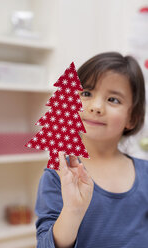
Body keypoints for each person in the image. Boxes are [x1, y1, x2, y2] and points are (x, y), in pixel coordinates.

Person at [35, 52, 148, 248]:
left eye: (113, 99)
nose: (96, 107)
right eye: (86, 93)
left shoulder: (145, 173)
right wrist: (73, 209)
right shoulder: (58, 175)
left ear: (133, 118)